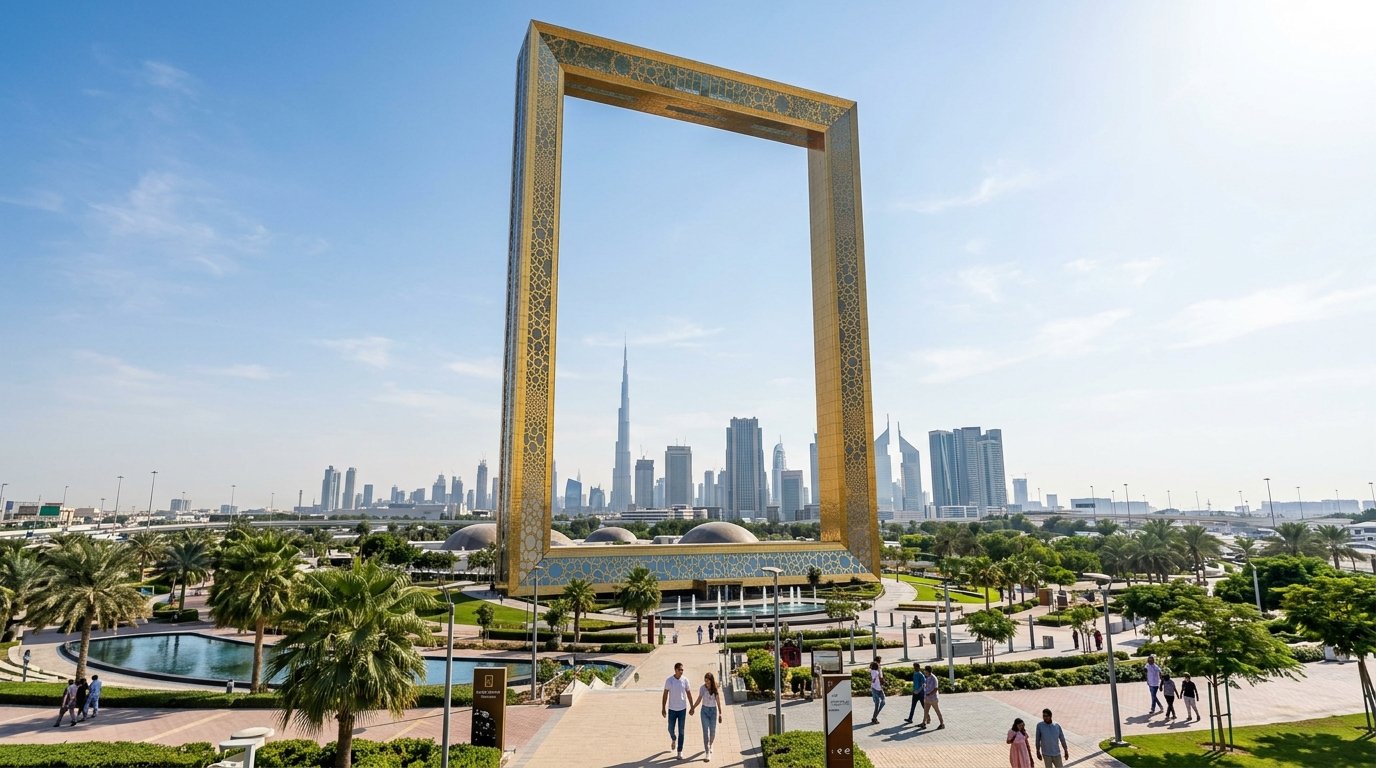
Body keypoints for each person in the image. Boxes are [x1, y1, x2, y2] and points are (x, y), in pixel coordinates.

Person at [689, 671, 724, 763]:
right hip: (704, 711)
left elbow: (718, 701)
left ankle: (711, 744)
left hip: (713, 712)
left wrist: (720, 713)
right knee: (705, 732)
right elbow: (699, 699)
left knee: (712, 732)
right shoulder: (702, 688)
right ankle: (707, 752)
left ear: (711, 681)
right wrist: (693, 707)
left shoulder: (715, 688)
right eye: (705, 681)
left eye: (708, 682)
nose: (706, 683)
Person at [662, 661, 693, 760]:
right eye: (680, 670)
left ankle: (679, 751)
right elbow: (665, 694)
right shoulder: (669, 681)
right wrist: (663, 707)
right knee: (670, 728)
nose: (682, 671)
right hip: (672, 709)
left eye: (682, 670)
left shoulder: (685, 680)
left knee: (682, 731)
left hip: (682, 709)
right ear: (675, 670)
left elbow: (689, 694)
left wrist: (692, 707)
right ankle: (673, 738)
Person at [867, 659, 885, 724]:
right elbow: (875, 679)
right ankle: (874, 718)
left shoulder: (873, 671)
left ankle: (874, 717)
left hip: (878, 688)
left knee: (882, 702)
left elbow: (874, 679)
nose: (879, 664)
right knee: (879, 703)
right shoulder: (876, 672)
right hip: (876, 689)